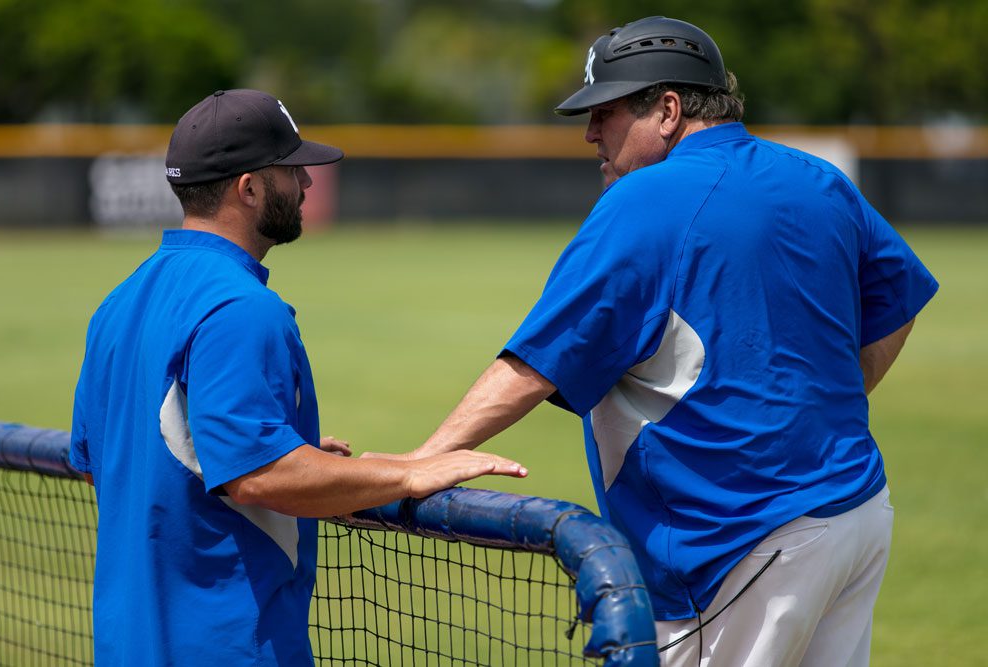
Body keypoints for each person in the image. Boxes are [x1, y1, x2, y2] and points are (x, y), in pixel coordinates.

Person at [390, 17, 939, 666]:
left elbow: (535, 362)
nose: (591, 132)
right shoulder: (816, 178)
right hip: (857, 514)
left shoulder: (644, 199)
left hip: (741, 540)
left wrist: (418, 460)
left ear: (669, 110)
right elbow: (898, 300)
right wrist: (836, 397)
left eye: (607, 112)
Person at [69, 89, 527, 667]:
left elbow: (106, 464)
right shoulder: (239, 307)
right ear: (250, 187)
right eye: (291, 170)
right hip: (225, 646)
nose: (307, 183)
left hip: (126, 646)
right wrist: (407, 474)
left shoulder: (118, 302)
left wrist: (300, 460)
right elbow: (260, 478)